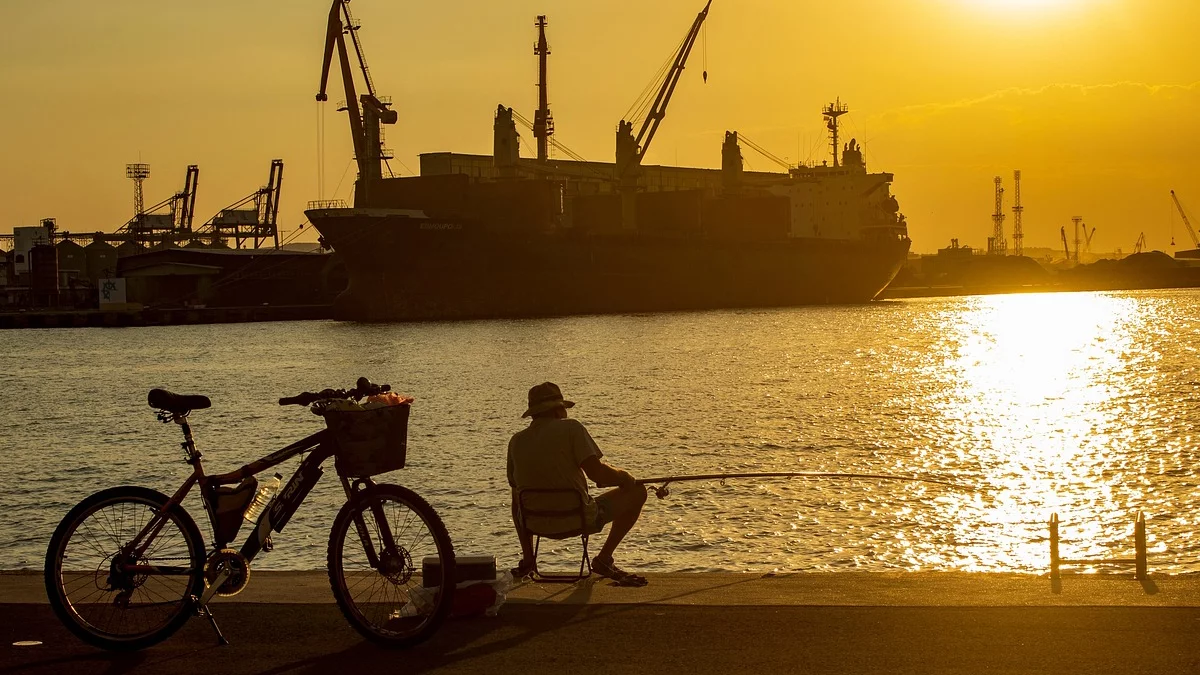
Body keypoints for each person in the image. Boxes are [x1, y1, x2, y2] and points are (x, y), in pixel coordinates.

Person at [507, 382, 649, 586]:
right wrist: (624, 477)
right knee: (638, 492)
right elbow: (598, 474)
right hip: (579, 519)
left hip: (535, 523)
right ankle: (604, 559)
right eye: (563, 408)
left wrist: (527, 556)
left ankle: (530, 560)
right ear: (557, 409)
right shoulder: (572, 428)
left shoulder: (516, 442)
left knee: (518, 498)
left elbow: (516, 504)